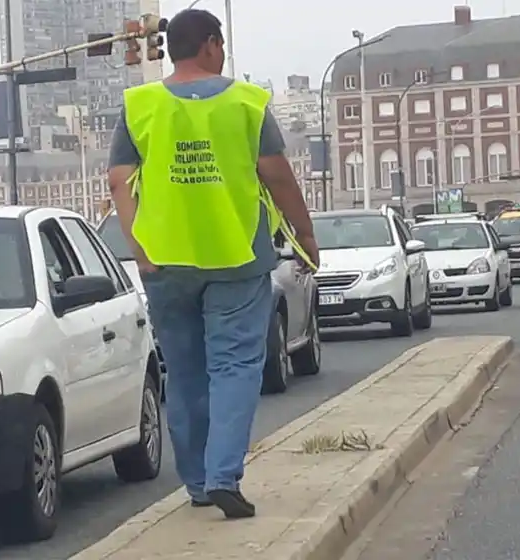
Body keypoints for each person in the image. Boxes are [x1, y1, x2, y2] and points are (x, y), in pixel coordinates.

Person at [107, 8, 318, 519]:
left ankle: (198, 483)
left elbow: (119, 180)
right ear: (208, 44)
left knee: (183, 372)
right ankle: (225, 475)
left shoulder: (142, 105)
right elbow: (278, 177)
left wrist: (138, 245)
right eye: (219, 44)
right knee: (236, 366)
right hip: (236, 257)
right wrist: (306, 235)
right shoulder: (245, 103)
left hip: (166, 261)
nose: (221, 52)